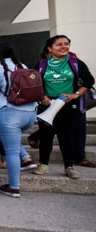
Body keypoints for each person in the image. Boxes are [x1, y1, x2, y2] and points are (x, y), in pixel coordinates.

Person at [32, 35, 95, 178]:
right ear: (50, 48)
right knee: (46, 136)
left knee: (67, 137)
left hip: (68, 105)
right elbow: (34, 84)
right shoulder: (42, 64)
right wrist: (42, 97)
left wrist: (76, 94)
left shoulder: (75, 63)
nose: (64, 47)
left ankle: (69, 167)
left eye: (66, 44)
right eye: (59, 44)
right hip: (47, 105)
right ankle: (43, 165)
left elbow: (89, 81)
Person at [0, 42, 37, 198]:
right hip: (30, 113)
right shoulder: (21, 65)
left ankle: (14, 187)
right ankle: (26, 159)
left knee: (11, 151)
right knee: (11, 141)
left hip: (10, 112)